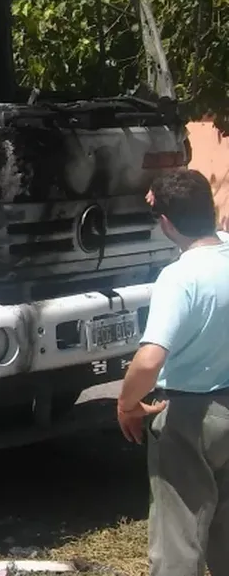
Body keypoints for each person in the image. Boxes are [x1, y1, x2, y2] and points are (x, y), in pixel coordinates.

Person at [117, 168, 229, 576]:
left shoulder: (180, 277)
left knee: (179, 540)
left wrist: (127, 404)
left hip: (188, 418)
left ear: (165, 222)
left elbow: (149, 360)